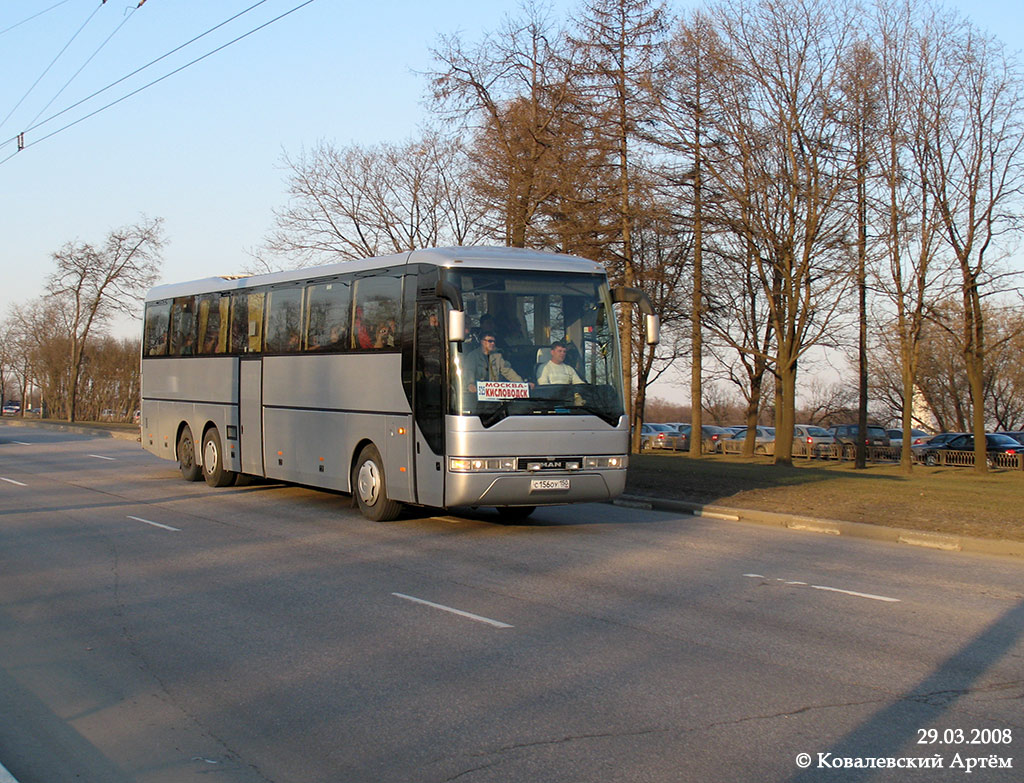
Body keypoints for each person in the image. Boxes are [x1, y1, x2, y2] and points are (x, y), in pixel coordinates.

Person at [464, 330, 531, 394]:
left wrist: (522, 385)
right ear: (482, 342)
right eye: (490, 341)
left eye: (494, 341)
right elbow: (469, 372)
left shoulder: (498, 356)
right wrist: (470, 385)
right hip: (476, 395)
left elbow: (508, 372)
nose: (493, 343)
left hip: (494, 395)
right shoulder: (472, 356)